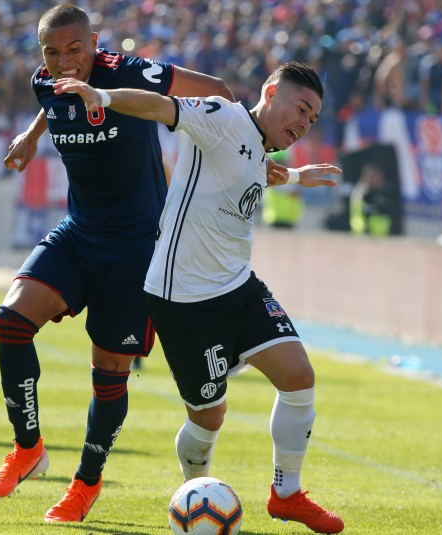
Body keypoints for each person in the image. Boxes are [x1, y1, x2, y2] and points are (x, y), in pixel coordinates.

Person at [56, 60, 345, 533]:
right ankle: (197, 496)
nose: (304, 123)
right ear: (271, 92)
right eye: (301, 108)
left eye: (312, 119)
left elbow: (254, 168)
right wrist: (103, 97)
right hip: (184, 300)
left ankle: (286, 493)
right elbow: (160, 106)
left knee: (299, 377)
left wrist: (294, 177)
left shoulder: (255, 143)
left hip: (238, 285)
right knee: (208, 419)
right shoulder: (221, 115)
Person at [0, 3, 235, 523]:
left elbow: (220, 92)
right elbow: (55, 100)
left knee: (108, 372)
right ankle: (27, 449)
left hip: (137, 249)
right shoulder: (45, 82)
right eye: (51, 52)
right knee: (11, 319)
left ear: (94, 44)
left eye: (74, 49)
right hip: (79, 232)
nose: (63, 61)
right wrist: (31, 136)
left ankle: (85, 484)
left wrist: (242, 152)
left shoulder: (132, 72)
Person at [349, 164, 394, 236]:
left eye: (379, 177)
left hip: (382, 235)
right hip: (364, 233)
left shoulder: (383, 193)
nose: (378, 179)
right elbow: (360, 212)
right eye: (374, 176)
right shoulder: (361, 193)